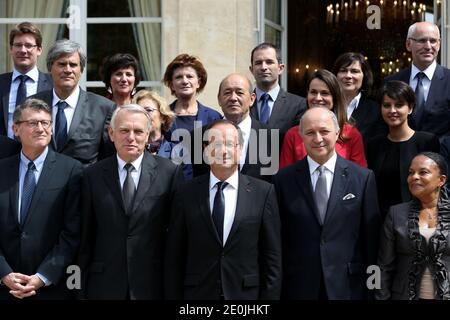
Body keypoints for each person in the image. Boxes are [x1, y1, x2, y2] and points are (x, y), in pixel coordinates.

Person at [165, 119, 281, 300]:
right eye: (217, 144)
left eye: (230, 144)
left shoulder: (263, 192)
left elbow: (272, 258)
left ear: (240, 149)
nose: (224, 151)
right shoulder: (186, 193)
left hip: (246, 296)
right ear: (205, 150)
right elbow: (174, 255)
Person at [273, 107, 381, 300]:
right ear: (301, 137)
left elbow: (372, 242)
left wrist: (374, 289)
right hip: (299, 285)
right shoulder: (283, 180)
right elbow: (279, 239)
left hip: (349, 286)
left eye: (324, 131)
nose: (318, 138)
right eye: (310, 133)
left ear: (337, 133)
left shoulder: (363, 178)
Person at [77, 104, 183, 300]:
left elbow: (176, 237)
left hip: (151, 285)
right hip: (103, 285)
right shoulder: (92, 175)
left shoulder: (169, 173)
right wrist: (78, 290)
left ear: (148, 133)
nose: (131, 137)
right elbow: (84, 238)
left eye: (138, 131)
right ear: (111, 133)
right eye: (124, 130)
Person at [0, 98, 82, 299]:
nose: (41, 128)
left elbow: (73, 232)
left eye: (45, 123)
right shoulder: (1, 170)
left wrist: (43, 276)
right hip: (5, 287)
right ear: (15, 129)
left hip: (50, 288)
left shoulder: (72, 170)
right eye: (33, 123)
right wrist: (3, 273)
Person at [376, 152, 450, 300]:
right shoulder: (395, 213)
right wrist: (380, 297)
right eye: (411, 173)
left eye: (423, 172)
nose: (414, 177)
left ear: (441, 180)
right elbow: (382, 267)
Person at [31, 39, 115, 166]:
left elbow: (108, 160)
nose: (68, 70)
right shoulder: (32, 105)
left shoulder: (103, 109)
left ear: (81, 70)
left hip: (83, 183)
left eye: (73, 65)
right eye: (62, 64)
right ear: (50, 68)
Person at [367, 81, 440, 218]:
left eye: (399, 105)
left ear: (410, 108)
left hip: (418, 221)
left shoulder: (427, 142)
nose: (392, 110)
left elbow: (435, 186)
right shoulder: (373, 145)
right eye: (387, 105)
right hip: (381, 222)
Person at [190, 73, 275, 181]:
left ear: (252, 99)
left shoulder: (271, 136)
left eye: (239, 93)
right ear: (219, 99)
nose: (233, 98)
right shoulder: (198, 137)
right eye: (227, 93)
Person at [280, 69, 367, 169]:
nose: (318, 98)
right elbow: (285, 178)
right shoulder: (293, 134)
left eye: (324, 93)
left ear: (335, 97)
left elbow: (359, 178)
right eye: (313, 92)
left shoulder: (351, 134)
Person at [384, 22, 450, 138]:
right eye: (422, 40)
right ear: (408, 44)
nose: (428, 46)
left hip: (441, 154)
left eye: (433, 41)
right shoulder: (392, 82)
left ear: (439, 45)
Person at [0, 22, 52, 138]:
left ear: (39, 50)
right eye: (18, 45)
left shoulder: (53, 84)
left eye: (28, 45)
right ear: (11, 49)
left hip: (40, 154)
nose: (23, 50)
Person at [249, 42, 306, 145]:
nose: (263, 67)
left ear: (280, 68)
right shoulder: (242, 103)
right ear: (251, 69)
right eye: (258, 63)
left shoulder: (299, 105)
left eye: (269, 62)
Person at [163, 53, 222, 142]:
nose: (185, 81)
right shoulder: (163, 115)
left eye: (189, 76)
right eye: (179, 77)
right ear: (172, 85)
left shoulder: (213, 117)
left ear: (198, 82)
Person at [332, 52, 387, 144]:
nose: (348, 76)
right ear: (335, 75)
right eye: (343, 71)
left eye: (354, 71)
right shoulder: (326, 105)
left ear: (364, 76)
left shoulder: (375, 109)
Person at [133, 89, 176, 158]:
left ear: (162, 117)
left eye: (149, 110)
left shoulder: (177, 152)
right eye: (139, 111)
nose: (144, 114)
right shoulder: (129, 150)